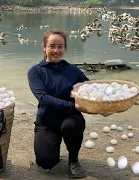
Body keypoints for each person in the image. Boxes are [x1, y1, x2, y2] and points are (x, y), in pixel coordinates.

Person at [27, 29, 90, 179]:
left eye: (60, 46)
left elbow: (89, 88)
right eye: (52, 46)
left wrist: (102, 102)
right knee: (46, 162)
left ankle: (73, 160)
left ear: (64, 48)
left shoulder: (73, 70)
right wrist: (71, 105)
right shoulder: (35, 72)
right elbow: (43, 98)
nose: (56, 50)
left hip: (70, 118)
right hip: (47, 122)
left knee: (72, 126)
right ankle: (52, 146)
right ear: (44, 47)